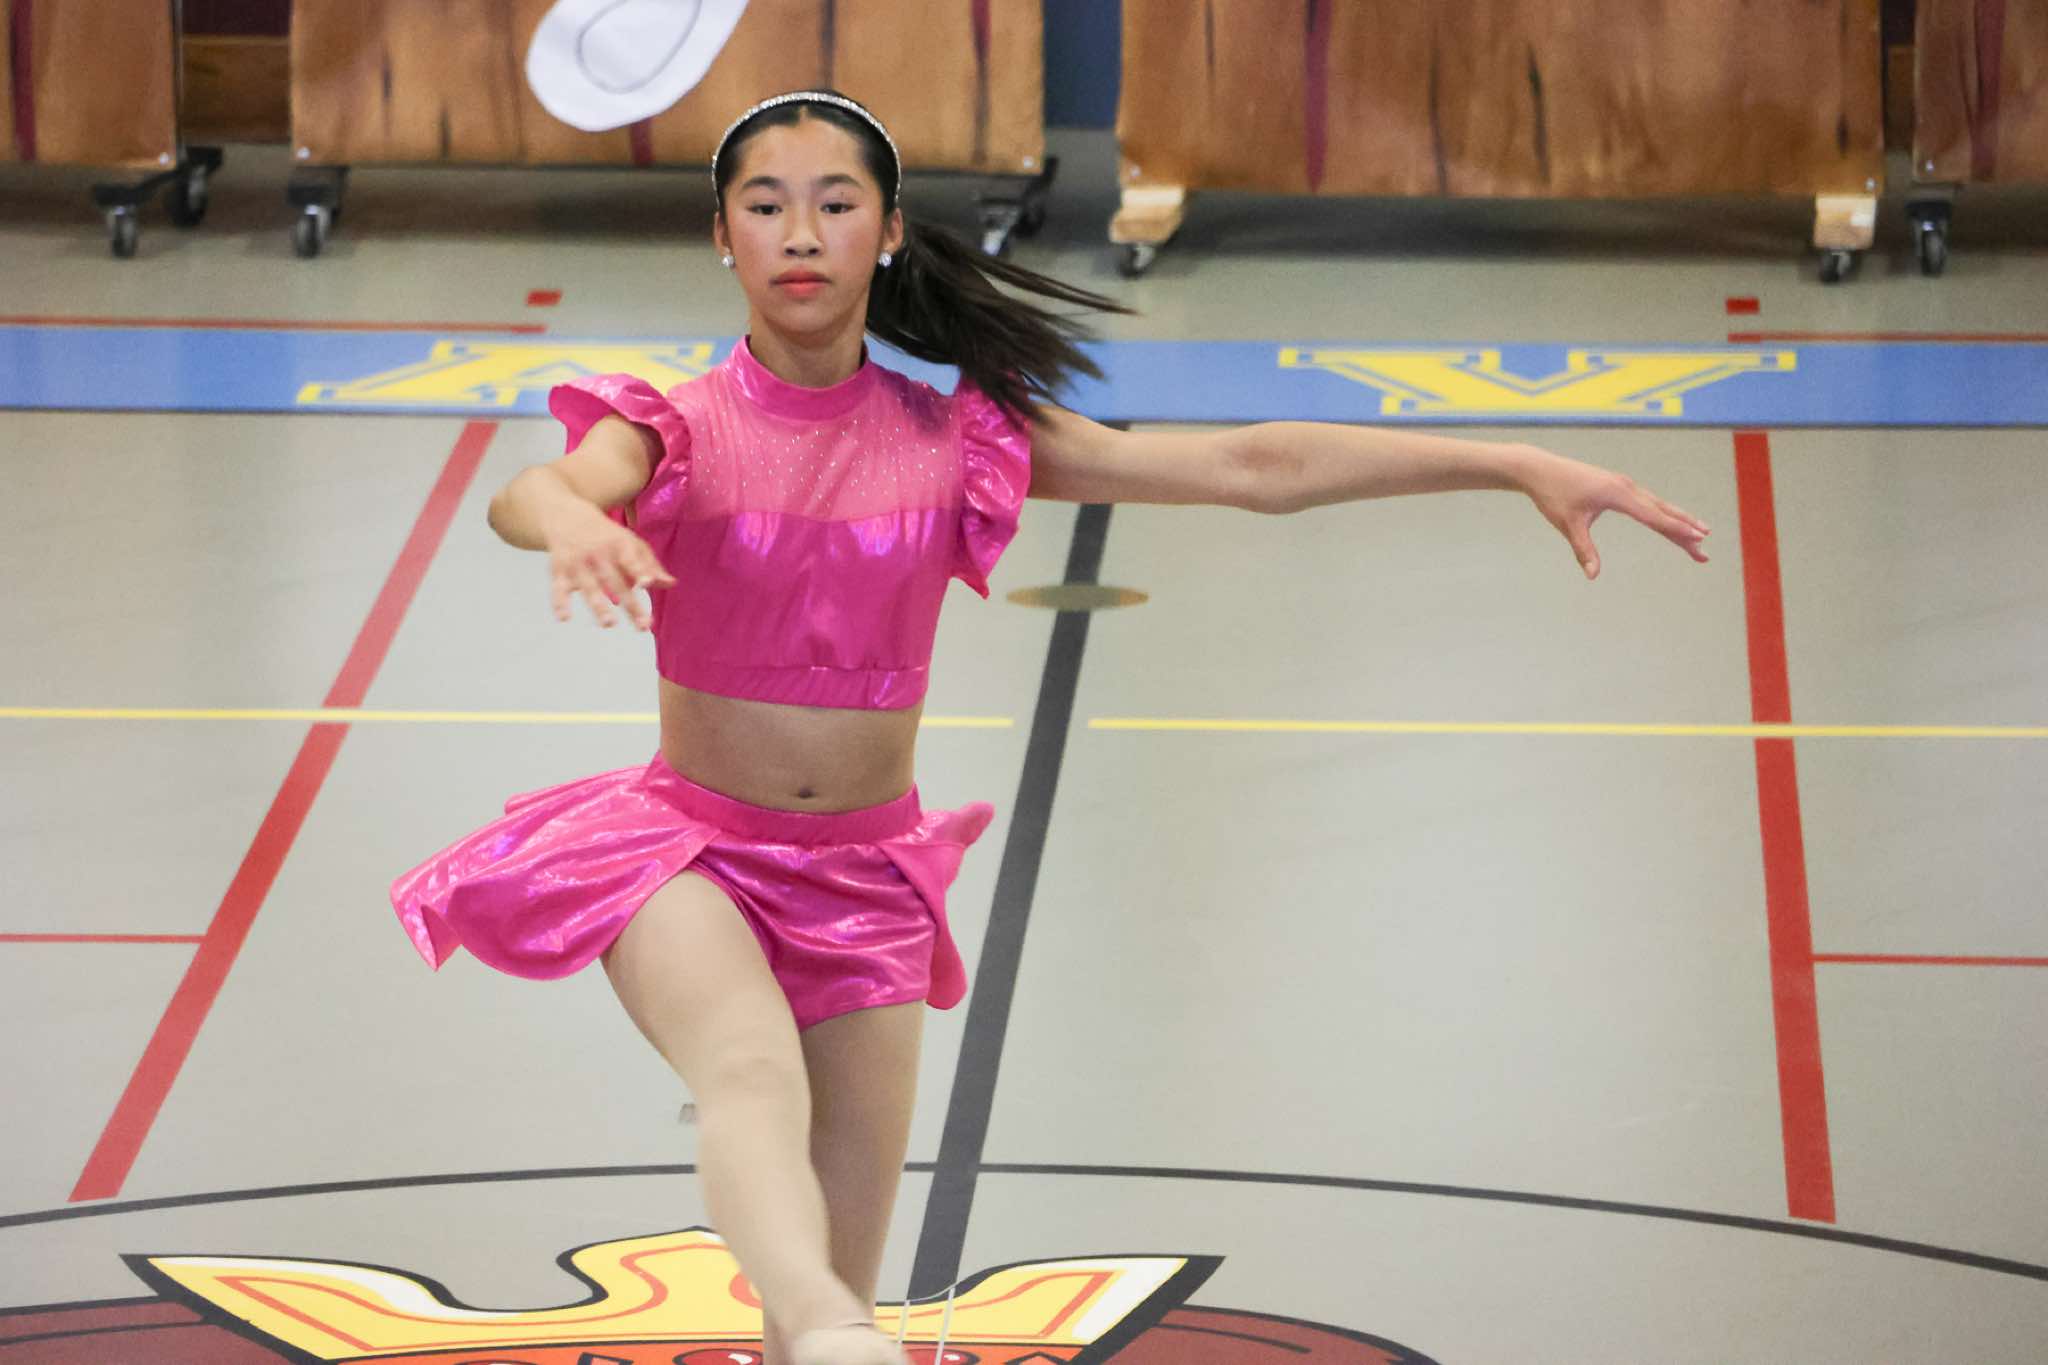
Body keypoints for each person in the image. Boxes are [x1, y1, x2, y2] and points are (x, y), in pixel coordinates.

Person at [390, 89, 1711, 1365]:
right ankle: (838, 1326)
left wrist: (1515, 461)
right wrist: (566, 517)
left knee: (837, 1268)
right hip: (688, 853)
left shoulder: (953, 435)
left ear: (888, 232)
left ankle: (828, 1326)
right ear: (721, 234)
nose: (800, 233)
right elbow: (542, 487)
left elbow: (1249, 467)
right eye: (766, 204)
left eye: (836, 204)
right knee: (748, 1079)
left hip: (866, 876)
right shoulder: (673, 426)